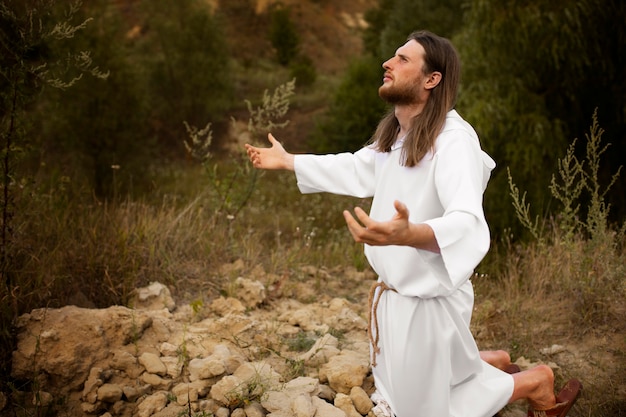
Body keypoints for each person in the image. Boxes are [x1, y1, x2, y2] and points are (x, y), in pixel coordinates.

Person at [245, 30, 581, 417]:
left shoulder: (454, 141)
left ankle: (533, 381)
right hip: (397, 299)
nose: (388, 63)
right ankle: (488, 360)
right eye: (393, 56)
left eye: (403, 59)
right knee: (395, 390)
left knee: (422, 412)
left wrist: (413, 235)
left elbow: (467, 222)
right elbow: (357, 167)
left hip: (431, 300)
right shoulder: (398, 135)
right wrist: (289, 160)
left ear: (431, 79)